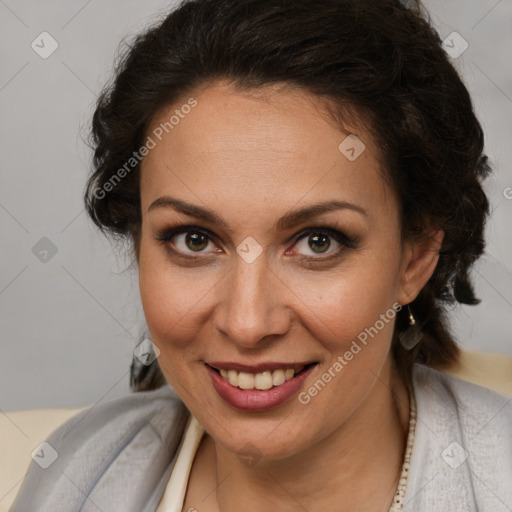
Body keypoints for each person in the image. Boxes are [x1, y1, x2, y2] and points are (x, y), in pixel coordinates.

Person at [10, 0, 512, 511]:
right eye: (195, 240)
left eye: (319, 241)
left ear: (416, 256)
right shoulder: (76, 474)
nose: (247, 324)